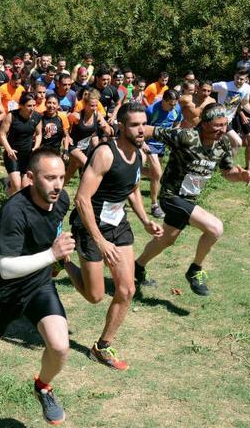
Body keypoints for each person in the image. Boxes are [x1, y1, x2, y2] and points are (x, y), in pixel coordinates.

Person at [0, 148, 75, 425]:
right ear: (31, 178)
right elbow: (6, 268)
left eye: (61, 177)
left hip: (39, 285)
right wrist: (52, 255)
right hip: (4, 291)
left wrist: (59, 249)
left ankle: (43, 386)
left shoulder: (61, 199)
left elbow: (54, 227)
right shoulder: (13, 211)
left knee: (59, 346)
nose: (58, 185)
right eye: (50, 178)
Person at [59, 102, 163, 371]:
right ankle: (64, 263)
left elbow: (132, 189)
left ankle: (102, 346)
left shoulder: (139, 153)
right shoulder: (105, 154)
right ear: (121, 126)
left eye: (143, 124)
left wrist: (144, 220)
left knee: (127, 289)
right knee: (94, 296)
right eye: (134, 125)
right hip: (91, 225)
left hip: (119, 224)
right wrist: (100, 241)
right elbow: (82, 200)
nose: (141, 130)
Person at [134, 104, 250, 296]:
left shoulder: (222, 144)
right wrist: (127, 140)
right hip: (171, 197)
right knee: (215, 228)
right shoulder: (185, 137)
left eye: (225, 125)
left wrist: (241, 176)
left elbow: (227, 172)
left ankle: (137, 267)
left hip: (189, 200)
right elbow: (148, 130)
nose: (223, 130)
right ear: (205, 124)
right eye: (217, 125)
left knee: (165, 240)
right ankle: (195, 270)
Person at [144, 89, 184, 218]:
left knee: (156, 175)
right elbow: (142, 128)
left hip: (163, 145)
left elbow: (177, 122)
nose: (173, 107)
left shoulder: (176, 108)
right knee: (157, 174)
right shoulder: (151, 110)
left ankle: (134, 170)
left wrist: (173, 135)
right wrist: (142, 144)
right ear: (163, 101)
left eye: (175, 104)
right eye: (170, 104)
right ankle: (155, 205)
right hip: (150, 144)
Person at [0, 92, 42, 196]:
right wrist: (9, 149)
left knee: (25, 188)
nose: (32, 108)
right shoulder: (12, 116)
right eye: (29, 106)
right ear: (21, 106)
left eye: (33, 105)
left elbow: (39, 134)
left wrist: (36, 147)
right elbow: (2, 134)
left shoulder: (37, 117)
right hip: (13, 154)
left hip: (27, 155)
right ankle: (11, 208)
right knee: (17, 185)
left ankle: (11, 198)